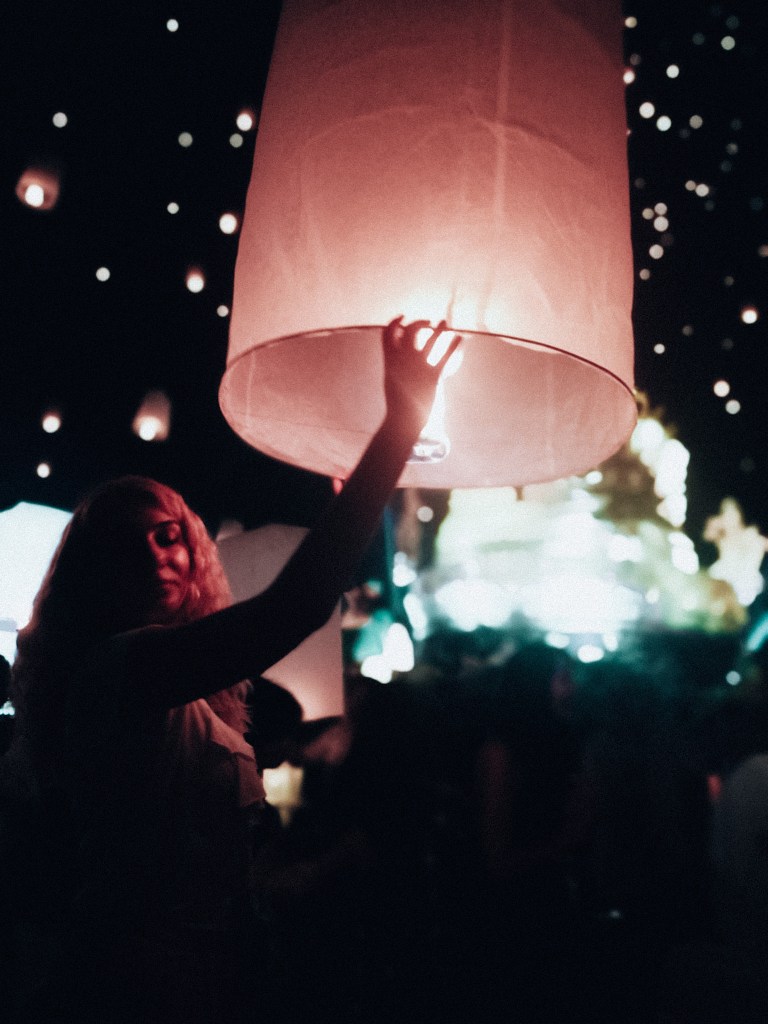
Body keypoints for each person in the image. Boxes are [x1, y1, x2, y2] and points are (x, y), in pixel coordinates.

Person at [9, 317, 460, 1024]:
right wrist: (399, 423)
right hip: (137, 989)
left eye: (169, 536)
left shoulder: (177, 691)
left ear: (196, 554)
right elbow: (295, 607)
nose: (156, 555)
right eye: (126, 545)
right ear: (90, 576)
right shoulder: (119, 665)